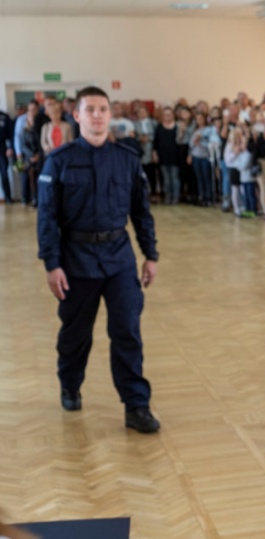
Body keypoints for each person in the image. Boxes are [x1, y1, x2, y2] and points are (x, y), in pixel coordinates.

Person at [36, 86, 160, 434]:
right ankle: (70, 383)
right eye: (89, 109)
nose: (97, 115)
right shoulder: (58, 161)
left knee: (127, 332)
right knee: (76, 334)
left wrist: (150, 254)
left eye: (102, 109)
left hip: (119, 257)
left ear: (110, 113)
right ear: (76, 115)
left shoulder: (127, 158)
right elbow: (46, 217)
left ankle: (136, 405)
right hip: (76, 261)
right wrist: (51, 263)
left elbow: (141, 212)